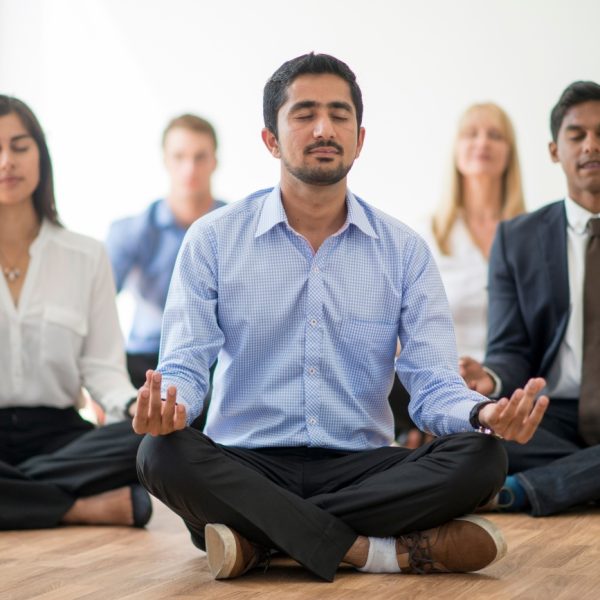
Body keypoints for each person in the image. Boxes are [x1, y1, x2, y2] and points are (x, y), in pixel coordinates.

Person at [133, 53, 547, 582]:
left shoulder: (403, 250)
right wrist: (171, 409)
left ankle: (261, 542)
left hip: (360, 467)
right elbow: (187, 365)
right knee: (160, 455)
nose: (324, 128)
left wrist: (483, 414)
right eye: (304, 114)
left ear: (360, 137)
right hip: (245, 464)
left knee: (483, 459)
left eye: (339, 114)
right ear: (271, 140)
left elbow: (433, 383)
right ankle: (372, 552)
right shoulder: (213, 240)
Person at [0, 95, 151, 530]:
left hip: (60, 437)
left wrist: (131, 406)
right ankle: (78, 508)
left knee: (157, 442)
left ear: (41, 157)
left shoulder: (86, 255)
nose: (7, 160)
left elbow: (102, 366)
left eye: (20, 145)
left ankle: (18, 495)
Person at [460, 80, 600, 517]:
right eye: (577, 135)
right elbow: (510, 349)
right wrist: (491, 380)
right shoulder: (517, 239)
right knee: (472, 445)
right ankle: (581, 481)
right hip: (550, 415)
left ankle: (521, 491)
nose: (591, 146)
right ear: (555, 151)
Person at [395, 103, 526, 448]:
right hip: (441, 383)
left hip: (510, 383)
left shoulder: (534, 237)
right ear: (456, 150)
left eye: (495, 135)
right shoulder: (424, 236)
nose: (482, 142)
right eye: (472, 134)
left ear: (509, 153)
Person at [106, 114, 226, 389]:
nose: (189, 168)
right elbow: (96, 305)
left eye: (200, 157)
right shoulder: (131, 231)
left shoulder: (237, 229)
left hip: (215, 362)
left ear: (214, 162)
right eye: (179, 157)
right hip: (144, 361)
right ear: (165, 161)